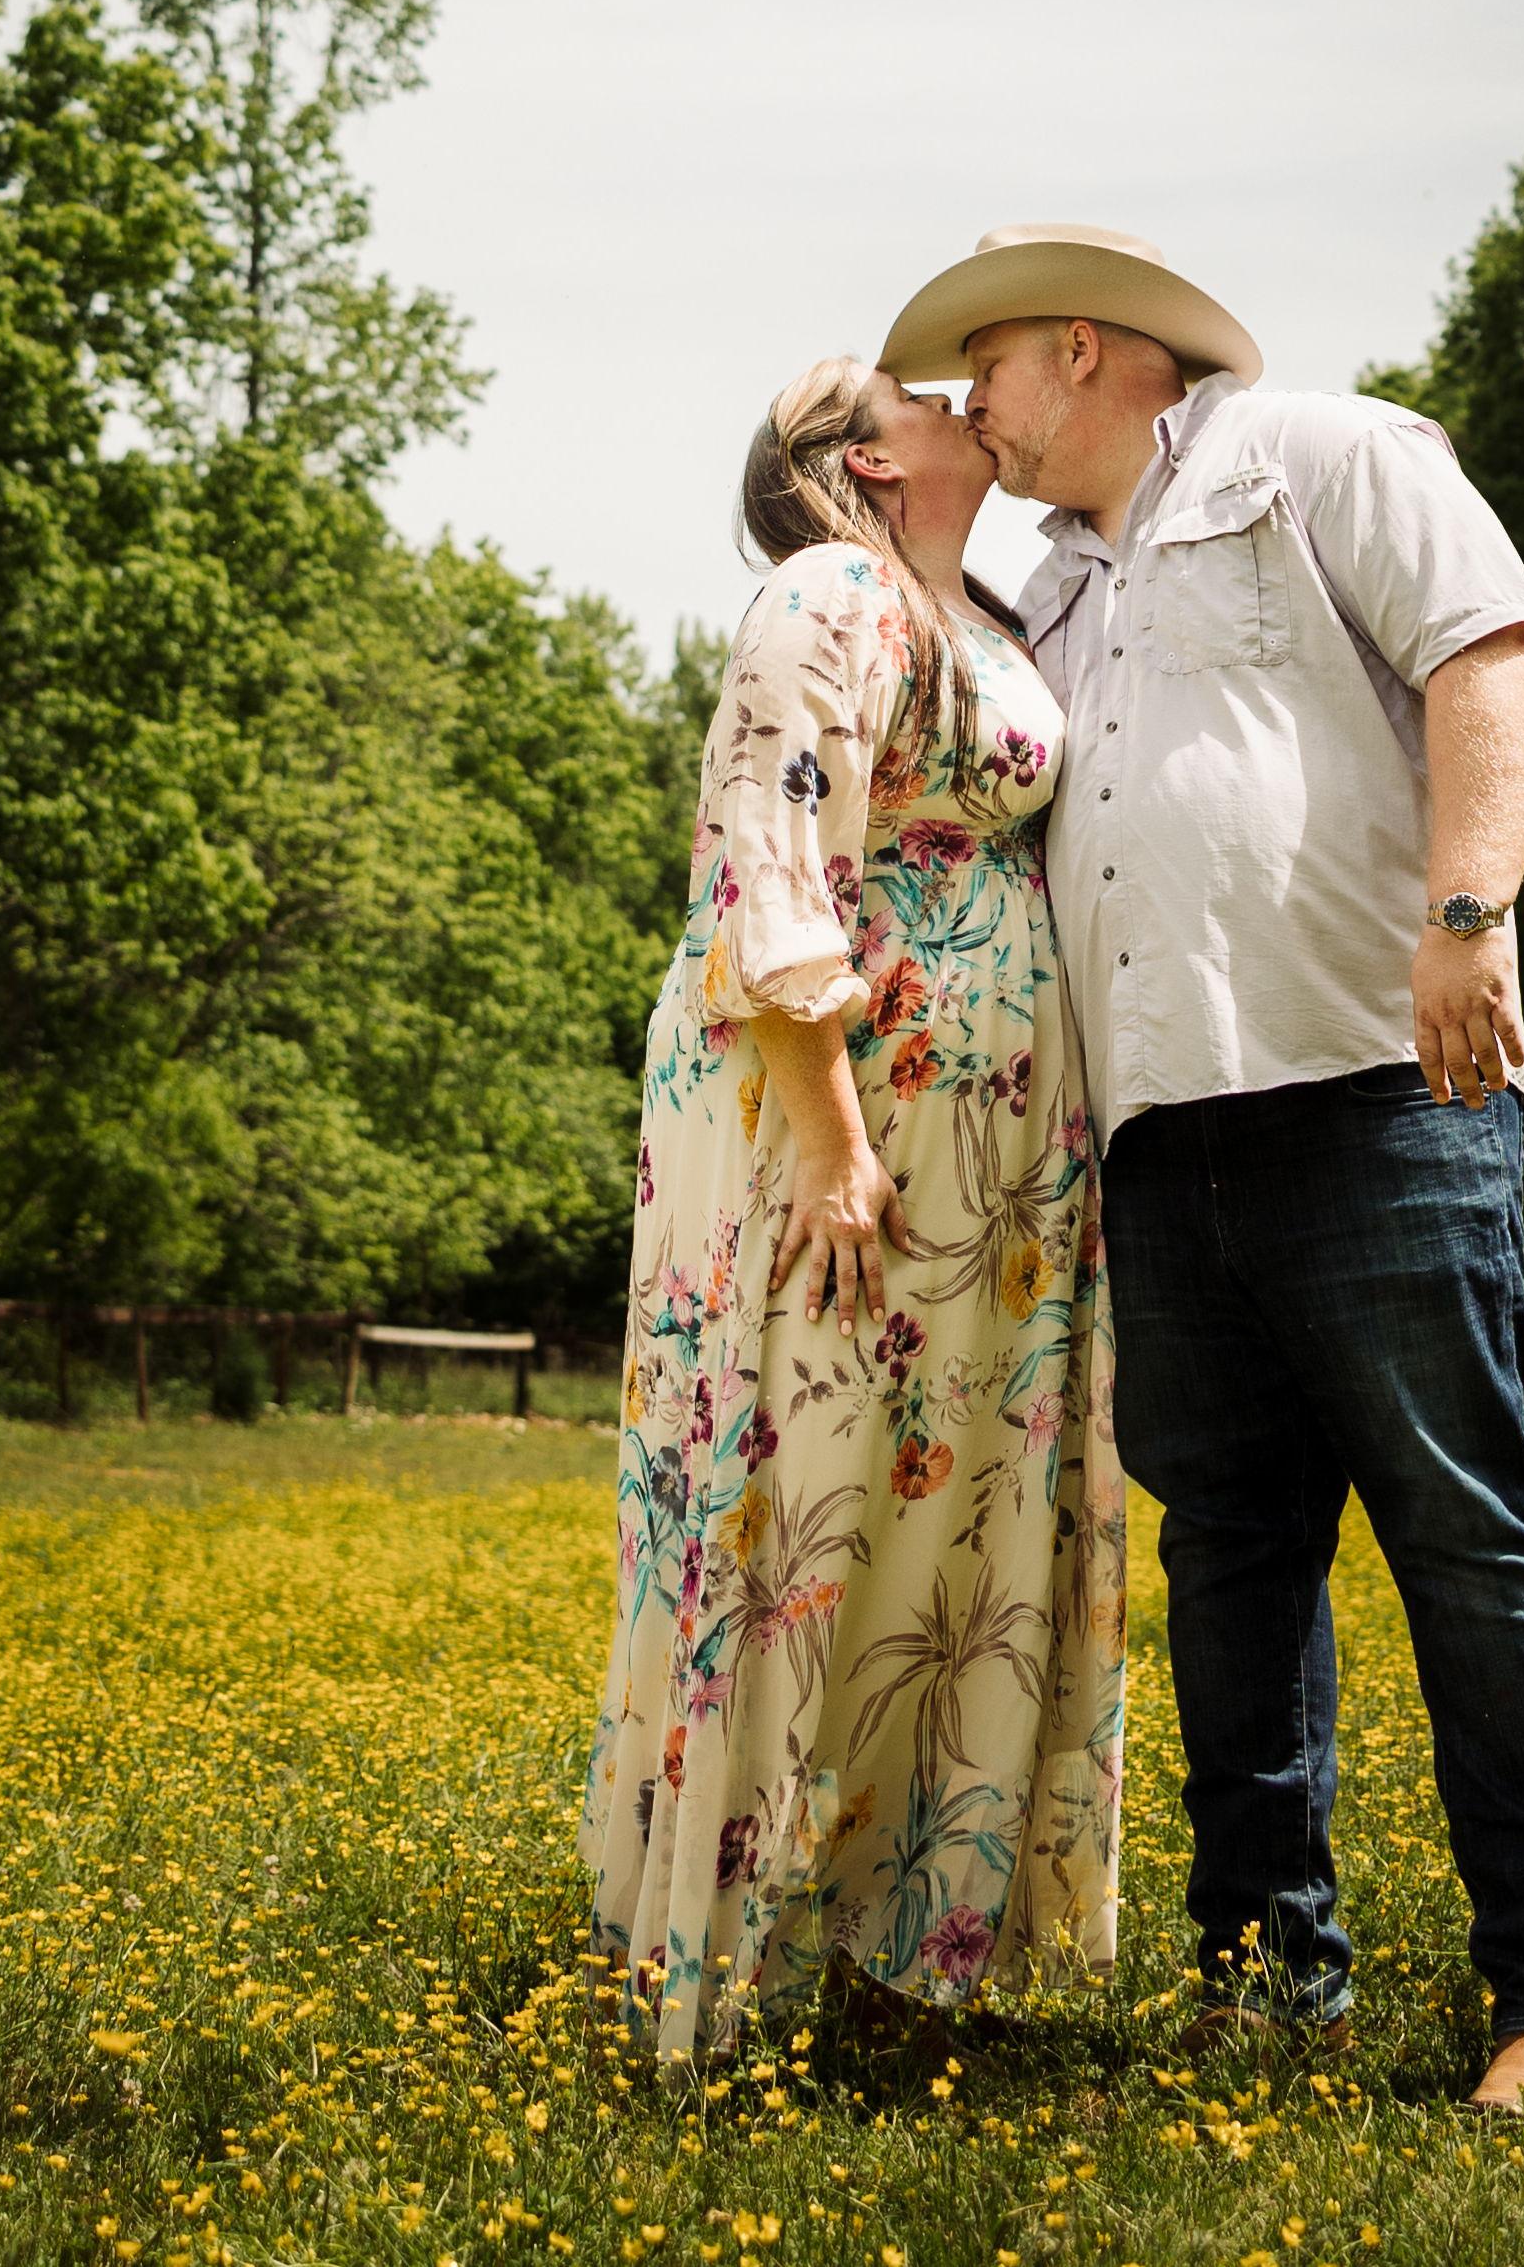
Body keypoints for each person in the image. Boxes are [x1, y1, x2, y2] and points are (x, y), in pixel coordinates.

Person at [876, 222, 1524, 2118]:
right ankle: (1269, 1974)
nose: (974, 407)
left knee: (1470, 1542)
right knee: (1228, 1566)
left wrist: (1472, 907)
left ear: (1084, 347)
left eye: (991, 372)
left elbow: (1493, 656)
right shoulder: (1042, 596)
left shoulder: (1330, 455)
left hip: (1379, 1083)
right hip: (1161, 1139)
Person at [582, 357, 1125, 2064]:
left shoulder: (991, 619)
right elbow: (770, 857)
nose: (961, 387)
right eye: (914, 385)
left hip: (996, 1167)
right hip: (848, 1131)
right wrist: (826, 1134)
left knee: (949, 1513)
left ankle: (914, 1943)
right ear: (865, 458)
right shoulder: (826, 594)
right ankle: (739, 1947)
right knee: (802, 1494)